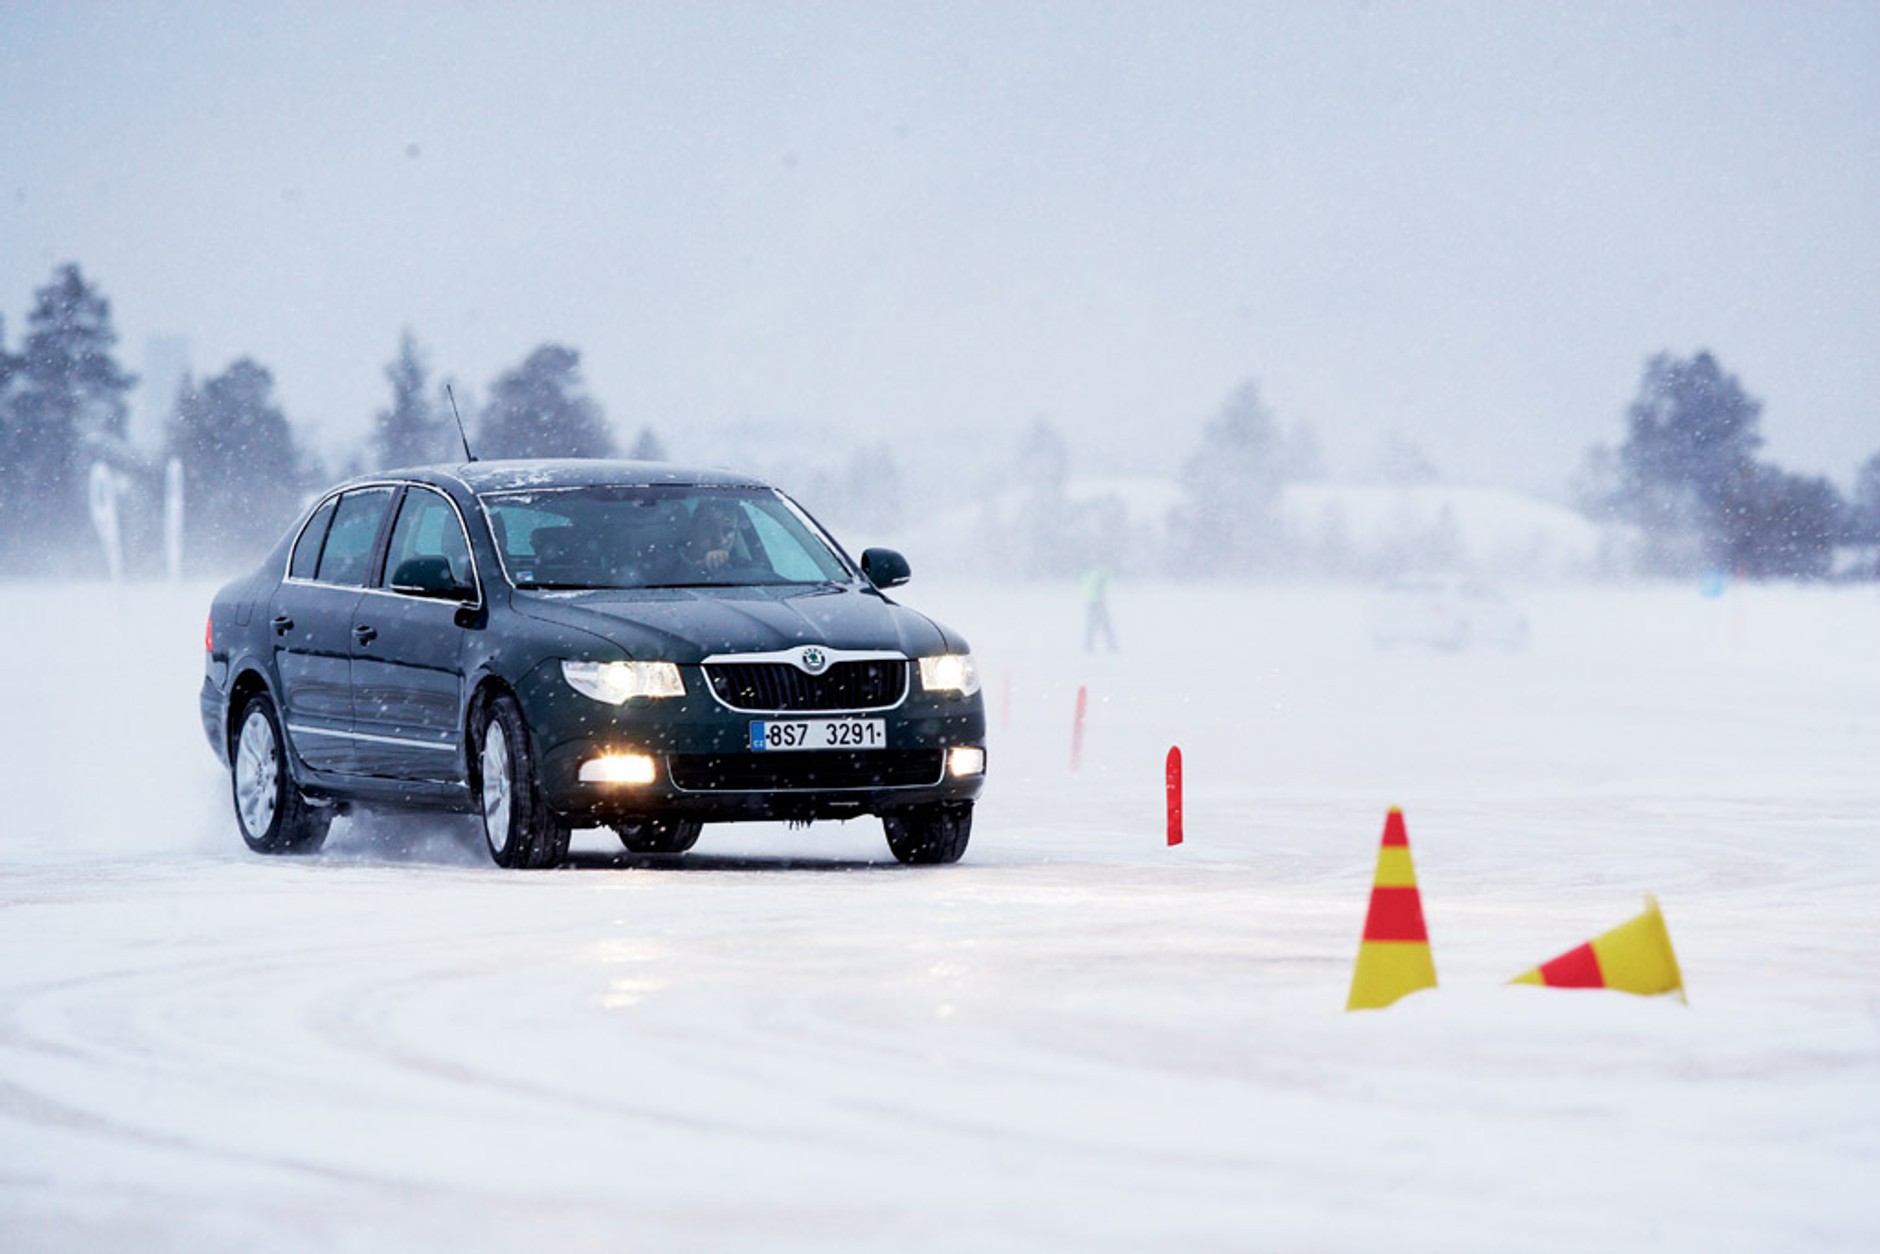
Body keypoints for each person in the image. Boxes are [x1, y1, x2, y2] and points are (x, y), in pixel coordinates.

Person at [682, 502, 742, 573]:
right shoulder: (668, 568)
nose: (719, 538)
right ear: (692, 529)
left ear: (735, 537)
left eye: (728, 530)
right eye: (709, 527)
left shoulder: (746, 572)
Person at [1082, 565, 1117, 652]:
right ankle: (1111, 646)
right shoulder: (1101, 575)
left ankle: (1088, 646)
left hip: (1091, 602)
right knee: (1105, 626)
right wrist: (1101, 601)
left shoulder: (1091, 574)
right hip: (1098, 603)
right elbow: (1099, 589)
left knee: (1091, 626)